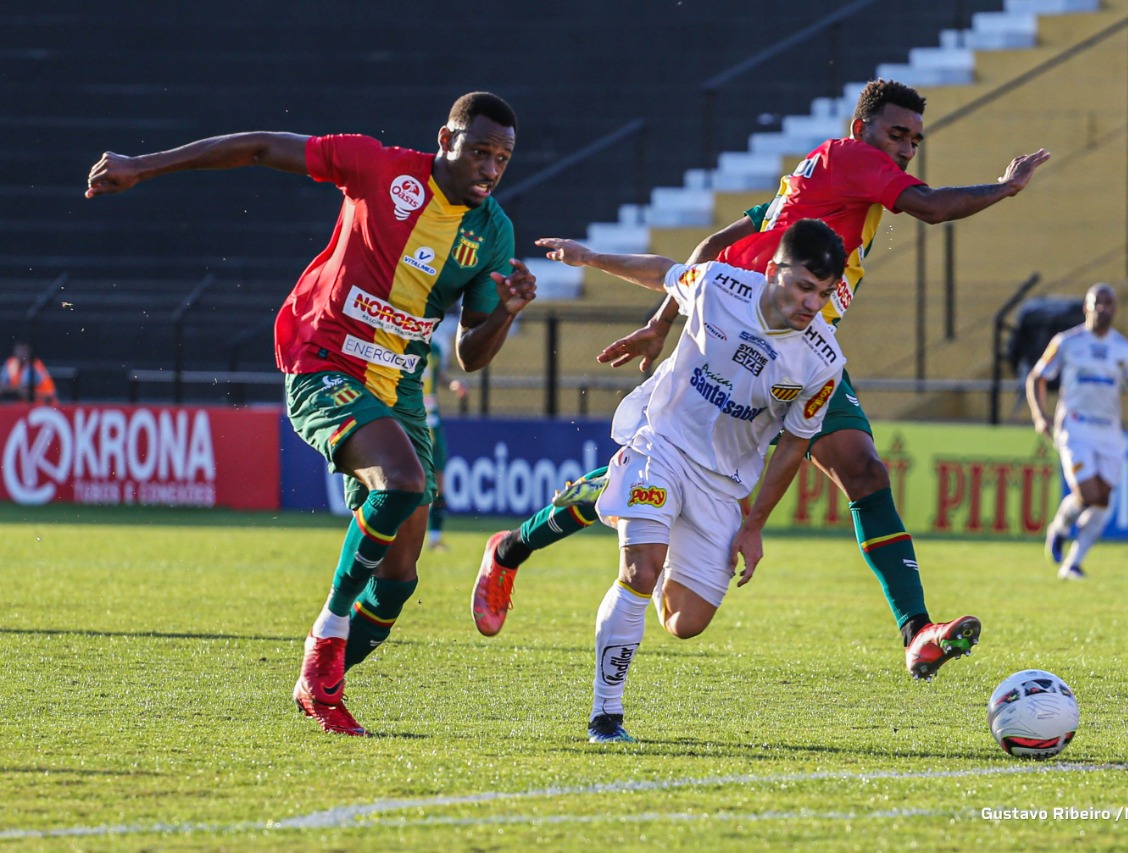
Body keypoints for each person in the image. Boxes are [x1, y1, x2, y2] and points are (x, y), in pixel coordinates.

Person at [473, 79, 1049, 681]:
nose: (905, 150)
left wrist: (660, 322)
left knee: (864, 471)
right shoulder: (851, 160)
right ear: (862, 131)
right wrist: (1006, 188)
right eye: (895, 135)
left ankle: (917, 632)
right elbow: (929, 207)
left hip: (801, 351)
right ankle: (512, 548)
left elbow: (720, 241)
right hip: (735, 338)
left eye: (914, 141)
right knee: (656, 469)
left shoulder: (823, 184)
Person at [86, 91, 537, 736]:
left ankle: (321, 681)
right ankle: (326, 636)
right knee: (404, 485)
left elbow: (468, 353)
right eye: (481, 152)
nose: (492, 168)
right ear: (446, 140)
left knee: (402, 572)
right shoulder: (377, 169)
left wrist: (506, 313)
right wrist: (143, 164)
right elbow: (262, 146)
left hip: (400, 387)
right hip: (324, 359)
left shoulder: (492, 232)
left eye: (503, 158)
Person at [537, 219, 849, 743]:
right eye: (802, 286)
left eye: (822, 293)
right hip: (661, 443)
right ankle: (605, 716)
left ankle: (621, 500)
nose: (810, 303)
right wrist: (589, 258)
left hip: (721, 485)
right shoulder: (720, 286)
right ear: (774, 271)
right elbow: (663, 272)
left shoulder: (823, 362)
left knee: (684, 623)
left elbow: (794, 444)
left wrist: (753, 525)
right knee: (639, 571)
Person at [1026, 283, 1128, 580]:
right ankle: (1060, 528)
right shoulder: (1066, 342)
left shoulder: (1126, 350)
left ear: (1115, 309)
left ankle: (1072, 564)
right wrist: (1040, 415)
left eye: (1109, 303)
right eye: (1097, 302)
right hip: (1075, 426)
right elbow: (1036, 377)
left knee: (1102, 500)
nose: (1103, 308)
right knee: (1086, 492)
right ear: (1086, 307)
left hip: (1109, 432)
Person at [423, 337, 468, 551]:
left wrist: (451, 383)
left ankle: (435, 537)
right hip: (406, 414)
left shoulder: (436, 348)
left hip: (432, 418)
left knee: (439, 480)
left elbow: (435, 374)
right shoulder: (399, 337)